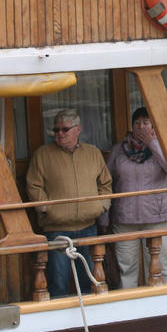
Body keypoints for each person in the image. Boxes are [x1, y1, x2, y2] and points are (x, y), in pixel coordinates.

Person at [26, 110, 112, 298]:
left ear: (78, 130)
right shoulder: (42, 155)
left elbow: (105, 183)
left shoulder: (93, 153)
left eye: (65, 129)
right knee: (58, 282)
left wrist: (102, 206)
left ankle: (91, 321)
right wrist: (47, 209)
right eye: (56, 130)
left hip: (89, 227)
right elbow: (34, 185)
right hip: (57, 230)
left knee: (89, 281)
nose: (60, 133)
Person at [104, 107, 167, 289]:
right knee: (127, 270)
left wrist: (152, 143)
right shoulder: (119, 150)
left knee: (159, 270)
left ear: (153, 126)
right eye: (137, 123)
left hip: (156, 218)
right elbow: (105, 183)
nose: (141, 126)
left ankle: (162, 310)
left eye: (146, 122)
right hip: (125, 220)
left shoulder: (163, 147)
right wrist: (103, 216)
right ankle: (130, 313)